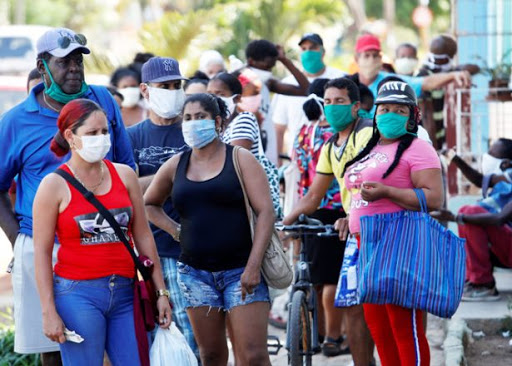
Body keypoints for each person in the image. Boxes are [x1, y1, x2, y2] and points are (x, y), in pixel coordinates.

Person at [0, 27, 135, 365]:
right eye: (64, 62)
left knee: (112, 344)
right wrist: (20, 240)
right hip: (44, 246)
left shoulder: (102, 101)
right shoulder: (16, 121)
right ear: (42, 66)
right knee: (54, 344)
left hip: (105, 240)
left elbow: (125, 167)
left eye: (78, 60)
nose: (74, 68)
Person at [33, 99, 171, 365]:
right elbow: (41, 252)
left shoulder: (125, 175)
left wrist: (160, 292)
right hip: (77, 296)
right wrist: (48, 311)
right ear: (71, 136)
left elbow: (143, 236)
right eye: (92, 133)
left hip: (124, 293)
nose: (102, 139)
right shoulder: (53, 186)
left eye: (105, 132)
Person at [144, 93, 274, 366]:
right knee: (211, 355)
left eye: (200, 117)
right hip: (195, 274)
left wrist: (253, 266)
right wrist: (176, 231)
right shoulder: (176, 164)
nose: (192, 123)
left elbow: (265, 212)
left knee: (253, 355)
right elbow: (149, 205)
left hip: (241, 270)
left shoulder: (240, 159)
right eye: (187, 118)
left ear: (217, 121)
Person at [340, 80, 443, 365]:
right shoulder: (371, 147)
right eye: (384, 108)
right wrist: (348, 218)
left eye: (400, 110)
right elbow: (360, 196)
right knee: (379, 326)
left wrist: (388, 192)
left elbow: (435, 199)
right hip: (365, 245)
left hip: (398, 243)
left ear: (413, 117)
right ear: (375, 113)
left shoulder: (418, 148)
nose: (390, 114)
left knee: (403, 327)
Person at [283, 77, 374, 366]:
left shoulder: (367, 133)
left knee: (376, 307)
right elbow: (313, 196)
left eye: (340, 102)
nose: (333, 108)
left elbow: (369, 180)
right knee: (354, 306)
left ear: (356, 106)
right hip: (355, 231)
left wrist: (351, 215)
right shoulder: (330, 146)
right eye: (329, 102)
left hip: (375, 227)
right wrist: (283, 224)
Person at [126, 56, 198, 357]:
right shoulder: (132, 137)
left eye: (175, 85)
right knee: (159, 331)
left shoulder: (195, 131)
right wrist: (172, 174)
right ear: (145, 90)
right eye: (163, 86)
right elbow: (127, 190)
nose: (171, 91)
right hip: (152, 249)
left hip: (194, 247)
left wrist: (149, 183)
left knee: (194, 336)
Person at [290, 78, 351, 357]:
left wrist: (292, 215)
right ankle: (333, 338)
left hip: (307, 209)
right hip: (338, 211)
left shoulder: (303, 132)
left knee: (314, 277)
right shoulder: (338, 136)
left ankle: (318, 334)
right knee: (333, 279)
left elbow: (296, 175)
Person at [432, 138, 512, 301]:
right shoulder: (505, 178)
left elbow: (500, 218)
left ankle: (484, 284)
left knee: (472, 213)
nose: (486, 157)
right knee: (469, 212)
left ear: (505, 164)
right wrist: (454, 158)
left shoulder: (508, 178)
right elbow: (480, 180)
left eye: (491, 153)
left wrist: (456, 217)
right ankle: (475, 280)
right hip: (506, 248)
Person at [207, 72, 282, 219]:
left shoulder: (244, 120)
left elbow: (232, 162)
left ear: (237, 98)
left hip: (247, 201)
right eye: (209, 94)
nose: (213, 98)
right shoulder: (218, 127)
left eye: (220, 93)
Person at [353, 33, 472, 113]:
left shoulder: (391, 82)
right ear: (357, 58)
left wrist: (453, 75)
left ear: (381, 58)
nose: (371, 60)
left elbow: (425, 82)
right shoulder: (348, 85)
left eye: (375, 56)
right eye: (366, 56)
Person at [272, 33, 345, 162]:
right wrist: (278, 166)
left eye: (312, 48)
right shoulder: (286, 85)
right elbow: (278, 129)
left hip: (337, 159)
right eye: (304, 49)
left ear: (323, 52)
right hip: (298, 162)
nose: (308, 52)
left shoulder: (341, 79)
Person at [245, 39, 310, 165]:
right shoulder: (236, 84)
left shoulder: (267, 82)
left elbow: (306, 89)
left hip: (266, 150)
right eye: (266, 66)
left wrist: (284, 60)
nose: (269, 71)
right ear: (251, 62)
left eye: (271, 67)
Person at [417, 34, 480, 149]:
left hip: (441, 138)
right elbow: (427, 118)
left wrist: (459, 72)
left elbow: (475, 68)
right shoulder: (423, 77)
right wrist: (433, 151)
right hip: (427, 140)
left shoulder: (449, 72)